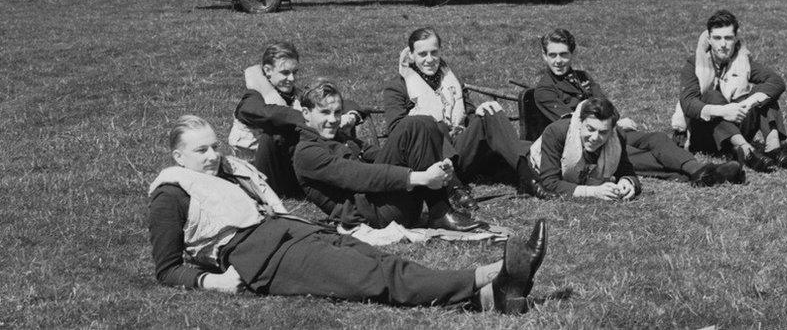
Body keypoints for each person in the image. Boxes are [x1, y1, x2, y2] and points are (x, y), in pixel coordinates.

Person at [148, 114, 548, 314]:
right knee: (376, 277)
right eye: (201, 151)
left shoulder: (230, 172)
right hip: (263, 258)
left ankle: (491, 296)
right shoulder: (171, 194)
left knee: (383, 260)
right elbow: (165, 269)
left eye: (215, 146)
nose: (214, 155)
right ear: (178, 156)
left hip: (294, 232)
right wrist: (211, 282)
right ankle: (490, 275)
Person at [533, 28, 744, 188]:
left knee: (657, 139)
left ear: (572, 54)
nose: (559, 61)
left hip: (610, 131)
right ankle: (703, 173)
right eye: (553, 55)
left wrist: (615, 122)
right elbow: (572, 124)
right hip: (586, 144)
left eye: (564, 54)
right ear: (544, 56)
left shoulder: (582, 78)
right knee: (639, 156)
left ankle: (699, 172)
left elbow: (607, 106)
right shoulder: (544, 90)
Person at [293, 78, 488, 232]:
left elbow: (377, 154)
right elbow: (357, 175)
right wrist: (421, 177)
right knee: (411, 125)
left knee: (425, 123)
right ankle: (440, 212)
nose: (333, 119)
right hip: (373, 216)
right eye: (325, 113)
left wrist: (436, 160)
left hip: (389, 203)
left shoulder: (337, 137)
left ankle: (440, 210)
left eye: (336, 112)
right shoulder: (307, 153)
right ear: (306, 113)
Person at [383, 27, 546, 201]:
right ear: (412, 56)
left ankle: (527, 177)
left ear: (440, 52)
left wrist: (478, 113)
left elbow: (468, 113)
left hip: (461, 150)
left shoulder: (450, 79)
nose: (429, 59)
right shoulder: (398, 86)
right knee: (434, 124)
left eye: (434, 52)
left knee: (490, 110)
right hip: (430, 158)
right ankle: (454, 188)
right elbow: (396, 130)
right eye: (422, 54)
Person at [229, 41, 361, 197]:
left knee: (329, 113)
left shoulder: (295, 95)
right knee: (276, 132)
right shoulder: (252, 98)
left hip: (292, 170)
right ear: (267, 70)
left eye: (295, 72)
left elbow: (340, 102)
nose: (291, 78)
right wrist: (314, 120)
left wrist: (351, 115)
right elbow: (272, 114)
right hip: (262, 177)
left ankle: (350, 167)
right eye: (285, 73)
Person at [674, 10, 787, 172]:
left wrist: (748, 103)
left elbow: (776, 81)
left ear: (735, 39)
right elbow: (688, 103)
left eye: (728, 38)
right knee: (711, 94)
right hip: (705, 134)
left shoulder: (741, 61)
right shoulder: (694, 64)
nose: (723, 44)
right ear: (709, 39)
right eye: (717, 38)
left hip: (735, 126)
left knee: (764, 95)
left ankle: (774, 149)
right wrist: (724, 111)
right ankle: (747, 152)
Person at [529, 97, 641, 200]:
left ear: (611, 131)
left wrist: (627, 183)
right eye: (590, 129)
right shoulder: (556, 132)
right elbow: (549, 183)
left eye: (603, 132)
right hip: (533, 165)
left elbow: (626, 169)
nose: (595, 138)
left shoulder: (617, 137)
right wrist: (592, 191)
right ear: (580, 123)